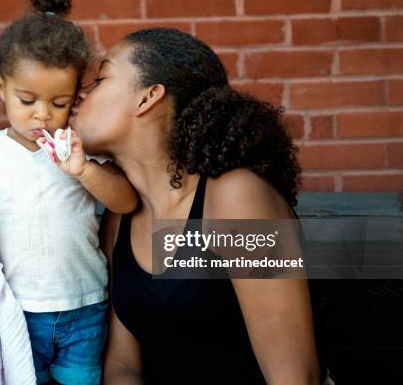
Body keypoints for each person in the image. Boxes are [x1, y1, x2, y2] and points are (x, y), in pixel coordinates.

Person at [69, 27, 326, 384]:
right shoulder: (121, 215)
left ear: (148, 97)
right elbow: (123, 365)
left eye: (100, 78)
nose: (79, 94)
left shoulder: (237, 201)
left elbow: (296, 377)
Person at [0, 0, 137, 385]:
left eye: (59, 102)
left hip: (86, 306)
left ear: (74, 98)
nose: (42, 116)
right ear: (2, 89)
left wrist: (84, 171)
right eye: (27, 100)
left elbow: (125, 202)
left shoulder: (78, 150)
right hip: (16, 310)